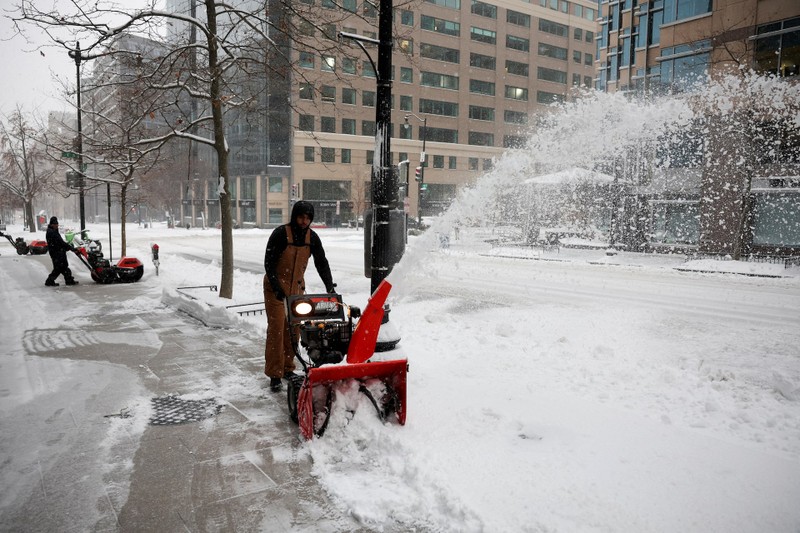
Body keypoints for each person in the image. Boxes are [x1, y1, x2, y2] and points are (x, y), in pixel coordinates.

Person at [263, 201, 335, 392]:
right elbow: (269, 263)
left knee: (293, 329)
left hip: (296, 289)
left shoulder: (312, 237)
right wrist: (277, 287)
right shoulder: (281, 234)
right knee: (277, 328)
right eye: (301, 217)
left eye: (308, 218)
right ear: (294, 216)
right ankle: (274, 374)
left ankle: (287, 368)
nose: (304, 221)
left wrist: (330, 286)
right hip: (275, 288)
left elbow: (322, 262)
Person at [45, 217, 78, 287]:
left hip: (58, 252)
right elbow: (60, 243)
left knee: (63, 267)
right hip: (57, 253)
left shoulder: (53, 231)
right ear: (51, 224)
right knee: (59, 268)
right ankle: (50, 281)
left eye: (57, 224)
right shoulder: (52, 232)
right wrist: (70, 248)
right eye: (55, 224)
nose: (56, 225)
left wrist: (66, 248)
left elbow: (59, 243)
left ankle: (69, 280)